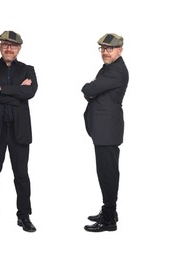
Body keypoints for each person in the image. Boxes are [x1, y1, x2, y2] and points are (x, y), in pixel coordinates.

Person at [0, 31, 38, 233]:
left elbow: (30, 92)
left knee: (21, 175)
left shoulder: (28, 70)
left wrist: (1, 89)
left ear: (19, 48)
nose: (9, 48)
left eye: (13, 45)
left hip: (19, 130)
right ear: (0, 47)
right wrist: (16, 92)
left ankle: (24, 216)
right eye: (5, 44)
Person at [82, 33, 128, 232]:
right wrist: (92, 89)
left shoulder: (115, 72)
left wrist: (89, 87)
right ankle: (109, 211)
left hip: (107, 131)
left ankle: (109, 219)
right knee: (105, 172)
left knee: (108, 174)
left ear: (120, 49)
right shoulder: (109, 69)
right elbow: (94, 91)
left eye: (109, 49)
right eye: (102, 48)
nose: (105, 52)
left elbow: (89, 89)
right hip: (103, 130)